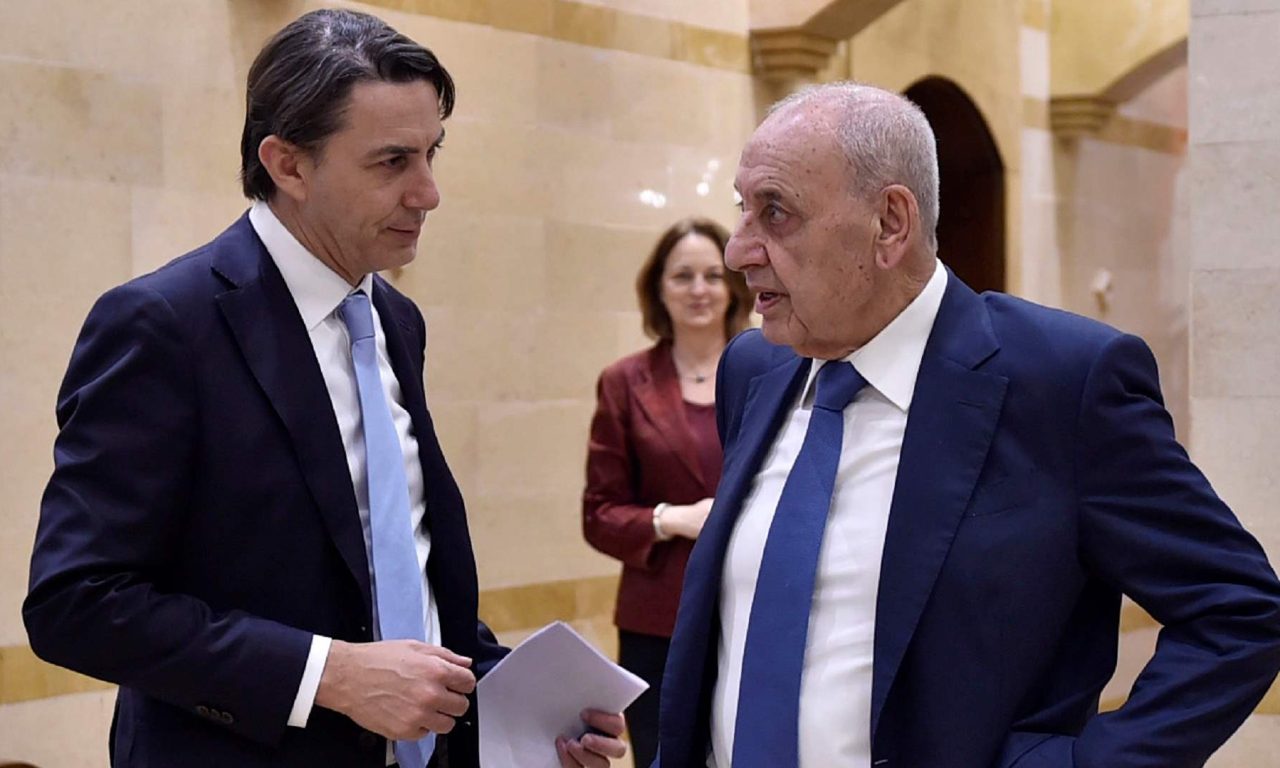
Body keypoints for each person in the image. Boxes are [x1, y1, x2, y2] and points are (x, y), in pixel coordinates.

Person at [22, 10, 625, 768]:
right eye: (392, 162)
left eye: (432, 152)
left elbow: (394, 570)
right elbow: (77, 603)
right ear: (289, 166)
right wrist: (326, 675)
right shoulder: (164, 325)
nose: (429, 192)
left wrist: (517, 712)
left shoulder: (395, 320)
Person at [656, 82, 1280, 768]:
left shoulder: (1063, 383)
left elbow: (1238, 610)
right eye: (743, 210)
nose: (738, 250)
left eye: (775, 212)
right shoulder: (754, 370)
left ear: (890, 223)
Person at [582, 218, 751, 768]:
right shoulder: (624, 382)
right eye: (682, 276)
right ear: (659, 288)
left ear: (734, 286)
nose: (699, 289)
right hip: (657, 623)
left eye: (713, 275)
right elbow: (599, 514)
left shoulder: (773, 372)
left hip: (753, 610)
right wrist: (670, 519)